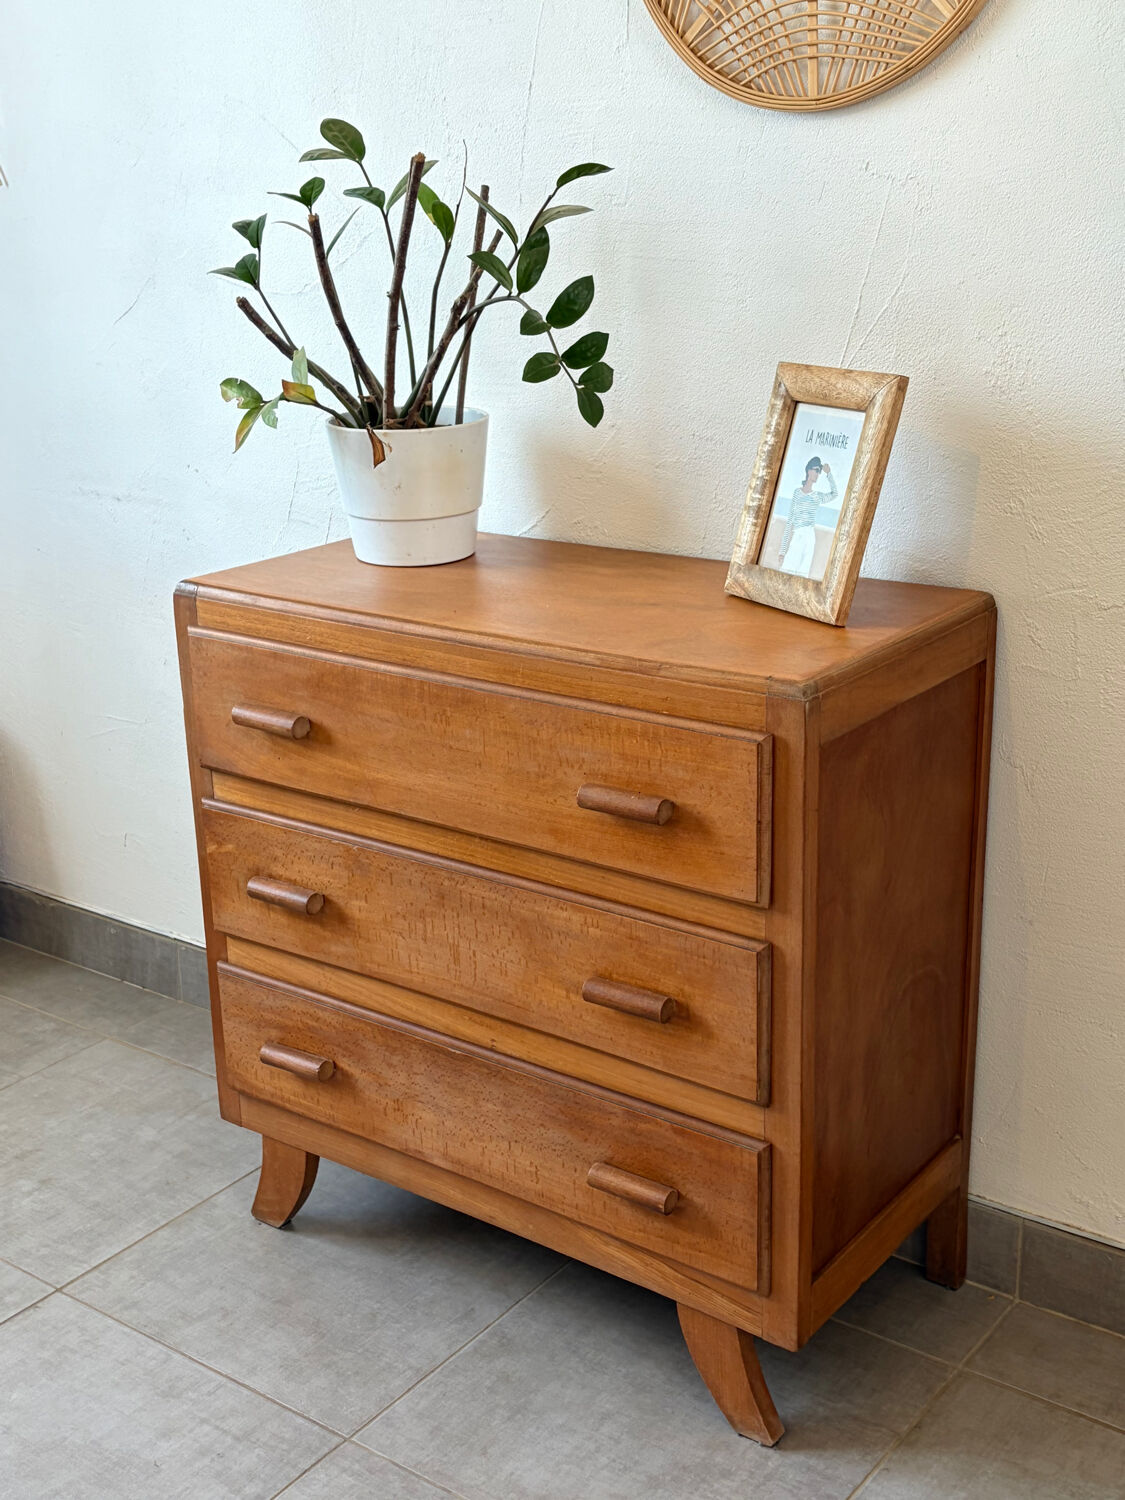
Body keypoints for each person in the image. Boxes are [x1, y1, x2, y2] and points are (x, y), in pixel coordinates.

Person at [777, 457, 836, 577]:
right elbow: (790, 521)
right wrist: (782, 551)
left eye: (819, 471)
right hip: (797, 536)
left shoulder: (817, 496)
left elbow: (834, 494)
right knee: (786, 571)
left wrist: (828, 473)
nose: (818, 474)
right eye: (816, 470)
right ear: (809, 471)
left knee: (803, 574)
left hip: (809, 537)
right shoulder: (797, 493)